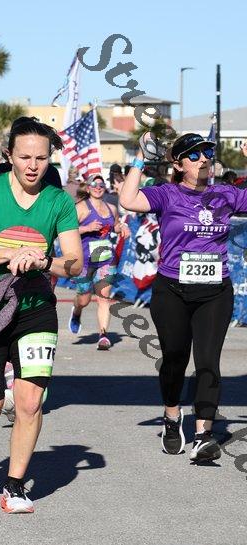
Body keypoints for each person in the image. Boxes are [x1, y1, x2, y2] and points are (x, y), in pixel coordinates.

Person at [0, 116, 82, 513]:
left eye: (41, 158)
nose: (32, 166)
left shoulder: (59, 201)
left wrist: (44, 261)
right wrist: (10, 254)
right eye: (24, 157)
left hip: (36, 310)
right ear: (9, 154)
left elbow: (75, 263)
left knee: (29, 403)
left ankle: (14, 487)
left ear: (49, 159)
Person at [120, 132, 247, 462]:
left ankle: (203, 435)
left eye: (207, 153)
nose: (203, 159)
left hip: (215, 292)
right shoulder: (167, 194)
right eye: (193, 155)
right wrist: (140, 157)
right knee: (175, 359)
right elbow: (128, 199)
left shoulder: (225, 194)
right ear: (177, 165)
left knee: (208, 362)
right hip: (172, 291)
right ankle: (172, 414)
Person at [68, 173, 130, 349]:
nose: (98, 188)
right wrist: (87, 228)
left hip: (105, 259)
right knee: (84, 299)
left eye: (101, 185)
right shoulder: (80, 208)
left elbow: (115, 226)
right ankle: (77, 311)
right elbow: (67, 231)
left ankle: (103, 335)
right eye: (94, 185)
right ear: (88, 188)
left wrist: (122, 227)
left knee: (104, 298)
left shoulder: (111, 208)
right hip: (84, 261)